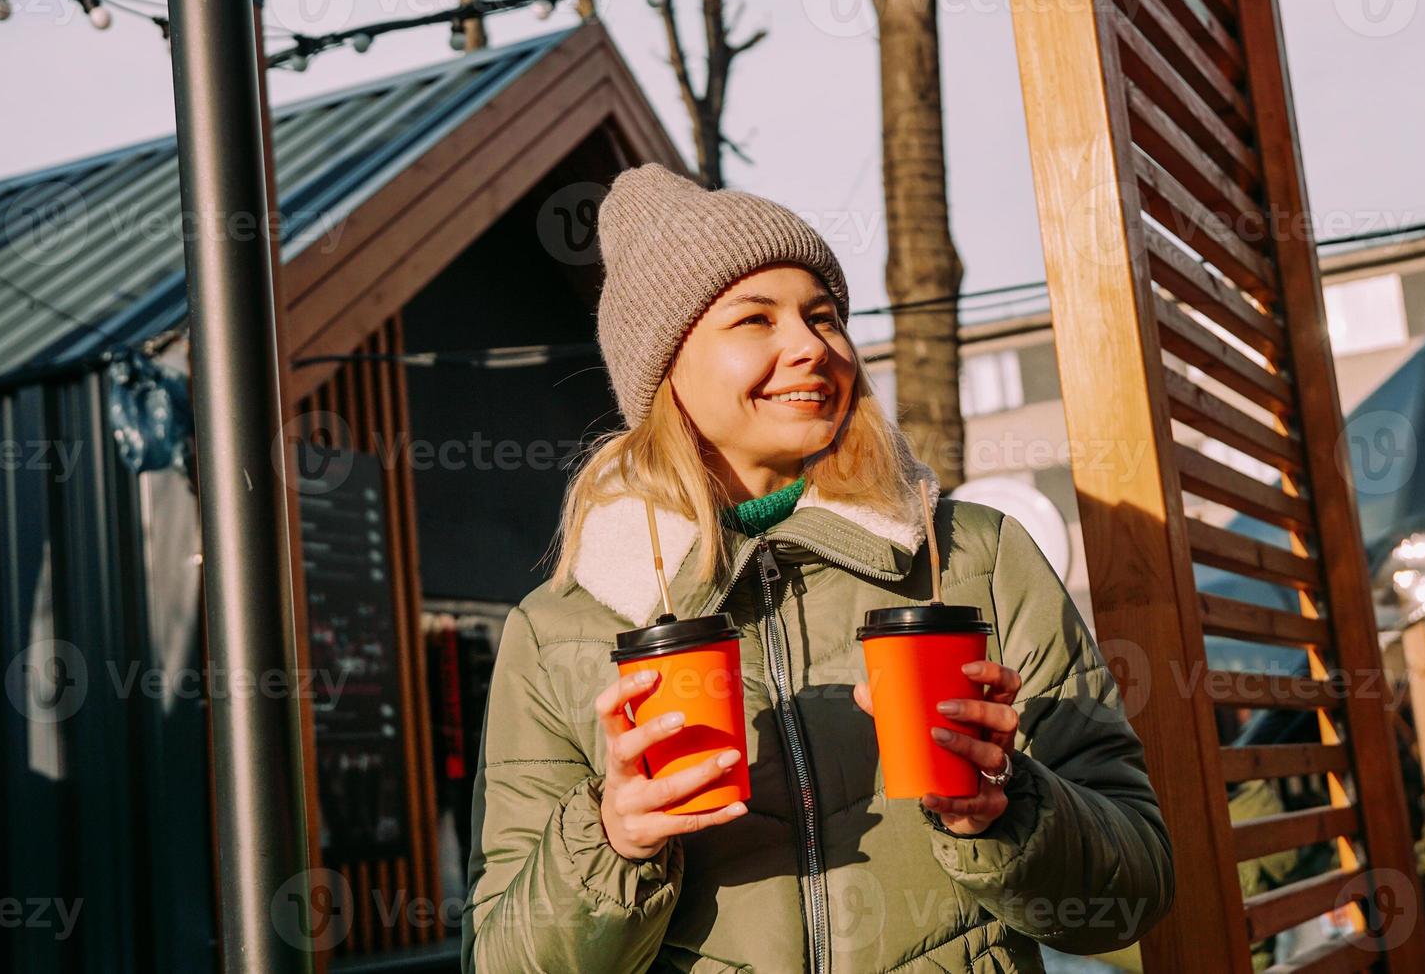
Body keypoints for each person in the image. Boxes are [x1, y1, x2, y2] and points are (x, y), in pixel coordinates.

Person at [461, 163, 1173, 973]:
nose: (811, 346)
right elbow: (503, 962)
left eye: (824, 316)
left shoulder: (973, 558)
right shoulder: (560, 630)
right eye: (755, 320)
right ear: (667, 368)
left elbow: (1137, 886)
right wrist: (611, 838)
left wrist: (1008, 807)